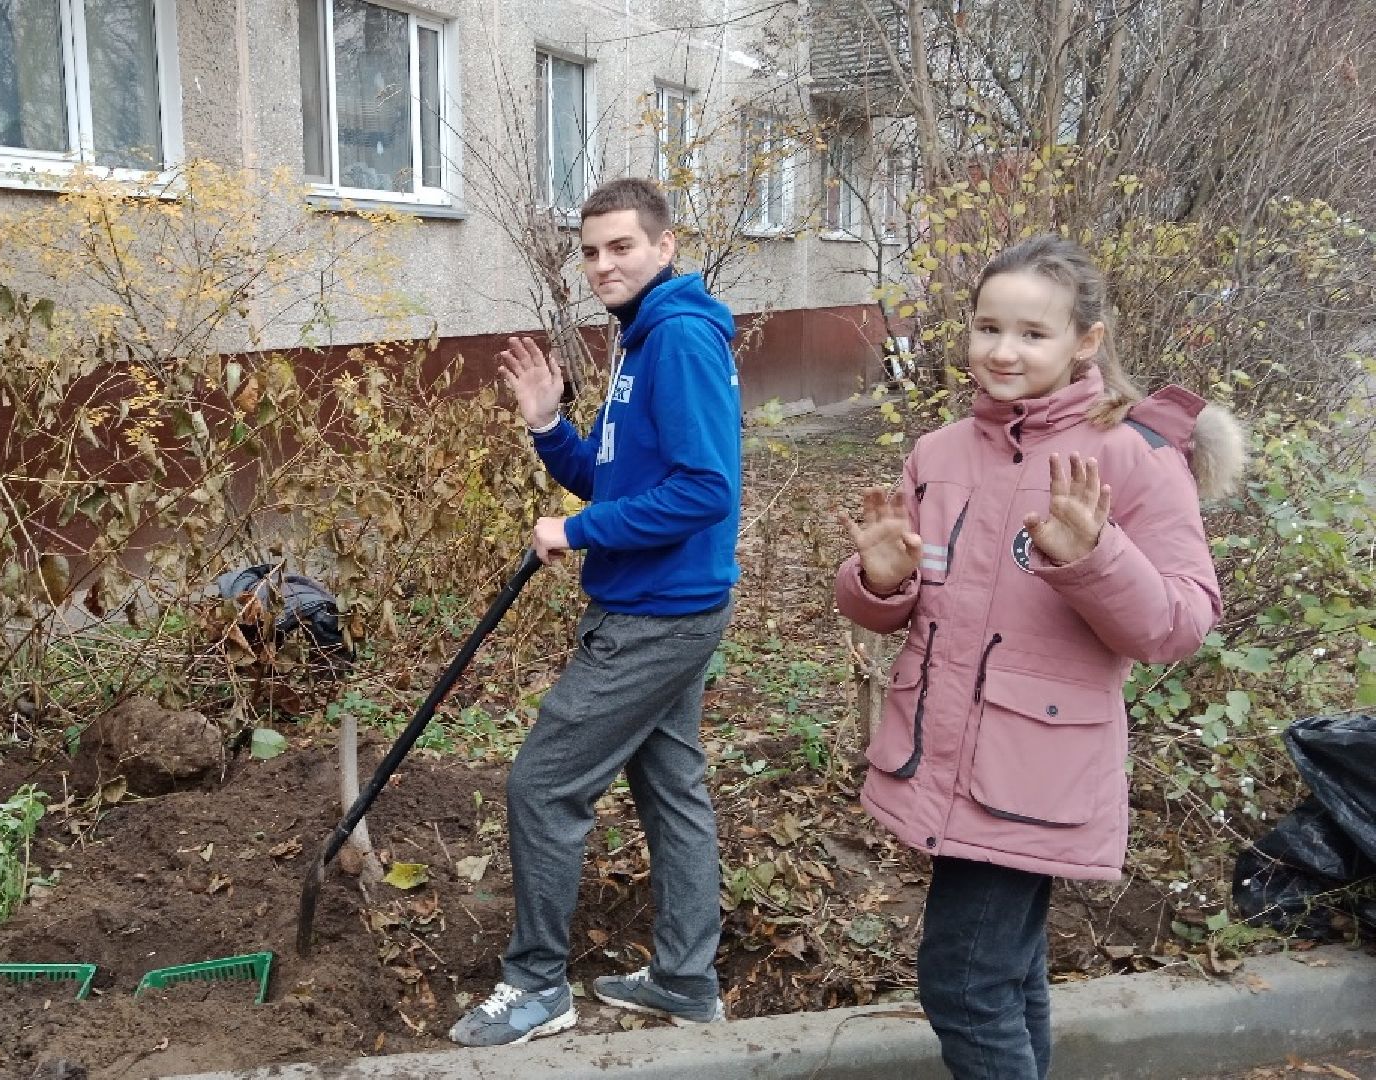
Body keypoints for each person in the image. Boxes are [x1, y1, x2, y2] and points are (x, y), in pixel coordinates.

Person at [835, 234, 1243, 1079]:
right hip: (944, 754)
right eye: (988, 328)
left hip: (1035, 770)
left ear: (1085, 342)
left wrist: (1095, 557)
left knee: (962, 986)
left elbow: (1179, 625)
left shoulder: (1129, 456)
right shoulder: (941, 452)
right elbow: (901, 598)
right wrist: (879, 578)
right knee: (1006, 978)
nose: (1003, 351)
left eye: (1032, 333)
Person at [450, 177, 741, 1046]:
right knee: (671, 792)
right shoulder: (641, 338)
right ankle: (685, 981)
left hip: (657, 615)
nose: (603, 265)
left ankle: (537, 984)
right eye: (590, 251)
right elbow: (618, 483)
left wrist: (574, 531)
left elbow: (704, 490)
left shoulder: (677, 338)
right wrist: (550, 428)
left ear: (665, 245)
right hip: (666, 604)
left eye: (621, 246)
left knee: (543, 784)